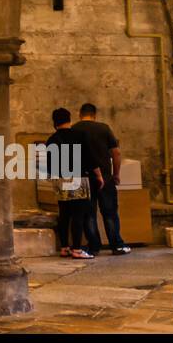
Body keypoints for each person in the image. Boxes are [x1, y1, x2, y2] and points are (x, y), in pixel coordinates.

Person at [45, 107, 102, 259]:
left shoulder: (52, 140)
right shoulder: (79, 135)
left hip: (60, 179)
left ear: (54, 122)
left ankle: (64, 248)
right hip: (78, 177)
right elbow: (91, 158)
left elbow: (48, 165)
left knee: (64, 214)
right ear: (69, 119)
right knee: (78, 214)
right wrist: (99, 176)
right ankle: (77, 249)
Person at [74, 102, 131, 255]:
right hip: (105, 178)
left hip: (83, 179)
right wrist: (116, 174)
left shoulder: (74, 129)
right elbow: (116, 153)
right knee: (110, 213)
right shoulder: (103, 128)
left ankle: (93, 246)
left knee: (89, 214)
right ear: (94, 115)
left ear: (80, 114)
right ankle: (116, 245)